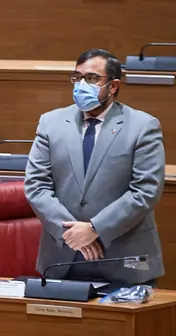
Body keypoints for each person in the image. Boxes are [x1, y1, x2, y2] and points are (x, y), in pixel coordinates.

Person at [25, 49, 165, 286]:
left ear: (113, 86)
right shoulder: (51, 122)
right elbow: (36, 186)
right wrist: (73, 235)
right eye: (77, 77)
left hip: (125, 260)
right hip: (62, 259)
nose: (81, 85)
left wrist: (94, 229)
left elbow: (145, 191)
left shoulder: (143, 126)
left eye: (91, 78)